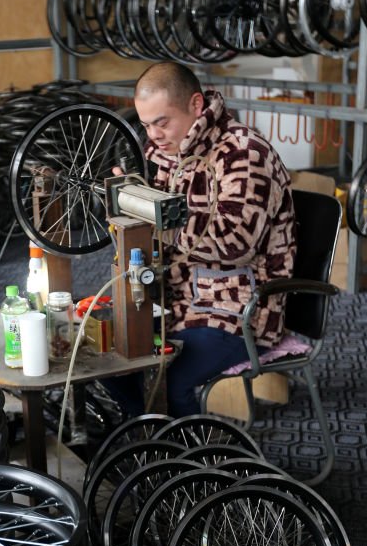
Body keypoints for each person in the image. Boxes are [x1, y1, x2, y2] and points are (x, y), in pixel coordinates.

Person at [109, 61, 296, 417]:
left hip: (235, 311)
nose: (153, 136)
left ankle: (187, 460)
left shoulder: (243, 153)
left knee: (167, 379)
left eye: (162, 122)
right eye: (146, 125)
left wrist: (153, 216)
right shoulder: (160, 152)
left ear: (196, 105)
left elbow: (234, 245)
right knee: (108, 359)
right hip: (173, 299)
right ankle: (148, 439)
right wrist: (128, 199)